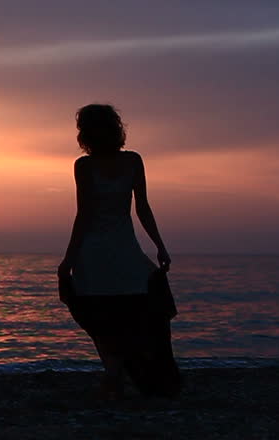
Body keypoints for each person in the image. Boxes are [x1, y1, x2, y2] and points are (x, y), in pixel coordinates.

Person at [57, 104, 179, 400]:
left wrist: (68, 260)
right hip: (117, 246)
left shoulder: (86, 166)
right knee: (125, 309)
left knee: (100, 312)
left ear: (85, 133)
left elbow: (85, 214)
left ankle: (115, 375)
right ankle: (116, 375)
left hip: (101, 248)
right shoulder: (130, 161)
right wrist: (160, 246)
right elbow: (142, 209)